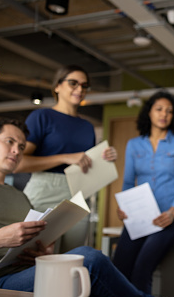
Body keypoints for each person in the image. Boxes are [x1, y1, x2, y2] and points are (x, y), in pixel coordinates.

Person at [0, 118, 174, 297]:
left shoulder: (20, 196)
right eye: (9, 142)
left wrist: (41, 255)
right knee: (87, 258)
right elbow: (2, 241)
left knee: (86, 274)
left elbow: (28, 248)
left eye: (21, 146)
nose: (17, 150)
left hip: (20, 275)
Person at [14, 65, 117, 253]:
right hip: (45, 189)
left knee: (71, 256)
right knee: (31, 255)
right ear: (57, 86)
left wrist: (104, 159)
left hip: (77, 194)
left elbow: (84, 165)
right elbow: (19, 163)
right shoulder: (42, 116)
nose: (80, 89)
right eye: (73, 83)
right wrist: (65, 157)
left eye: (84, 86)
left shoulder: (87, 127)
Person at [112, 91, 174, 295]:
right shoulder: (134, 145)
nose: (164, 114)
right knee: (119, 268)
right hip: (140, 216)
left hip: (170, 218)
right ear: (149, 112)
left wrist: (173, 212)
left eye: (169, 111)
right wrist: (123, 207)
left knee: (141, 270)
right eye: (159, 109)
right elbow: (129, 182)